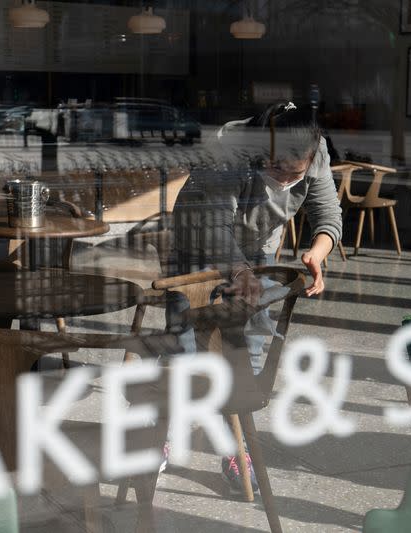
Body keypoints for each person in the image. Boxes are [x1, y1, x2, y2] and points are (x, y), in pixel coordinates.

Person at [163, 101, 342, 492]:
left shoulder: (318, 153)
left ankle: (235, 443)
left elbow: (328, 214)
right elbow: (214, 227)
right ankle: (165, 425)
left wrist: (317, 252)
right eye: (273, 166)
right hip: (197, 237)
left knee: (248, 345)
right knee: (183, 341)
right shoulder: (233, 146)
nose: (281, 178)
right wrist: (238, 270)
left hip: (257, 241)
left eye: (292, 172)